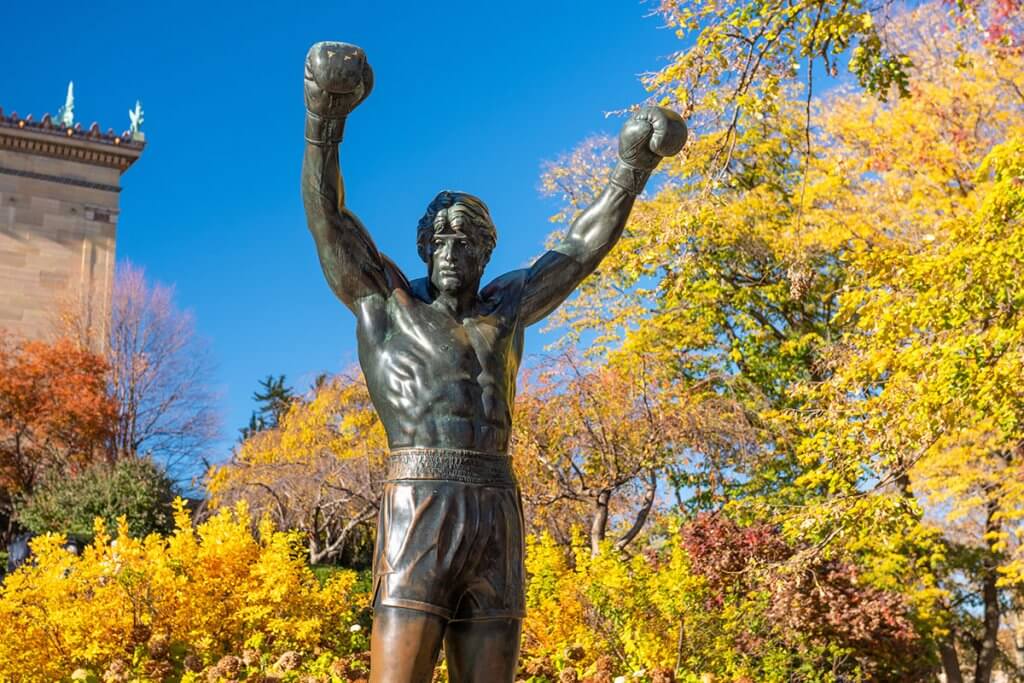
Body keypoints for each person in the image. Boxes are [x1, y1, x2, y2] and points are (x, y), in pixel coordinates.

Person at [301, 41, 686, 683]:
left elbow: (578, 249)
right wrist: (324, 122)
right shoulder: (387, 302)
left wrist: (631, 168)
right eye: (442, 240)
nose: (453, 251)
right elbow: (330, 220)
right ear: (425, 249)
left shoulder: (505, 309)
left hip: (495, 505)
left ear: (486, 254)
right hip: (419, 500)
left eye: (469, 242)